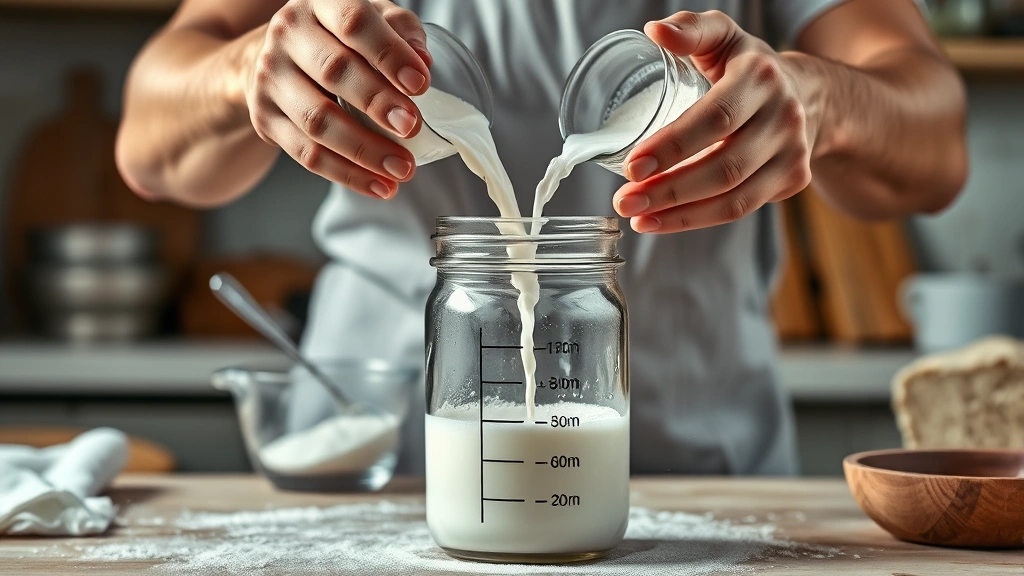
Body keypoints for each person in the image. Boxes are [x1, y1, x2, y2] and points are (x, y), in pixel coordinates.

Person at [116, 0, 966, 475]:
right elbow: (150, 151)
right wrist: (242, 70)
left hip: (700, 469)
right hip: (376, 469)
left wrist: (821, 97)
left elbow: (935, 149)